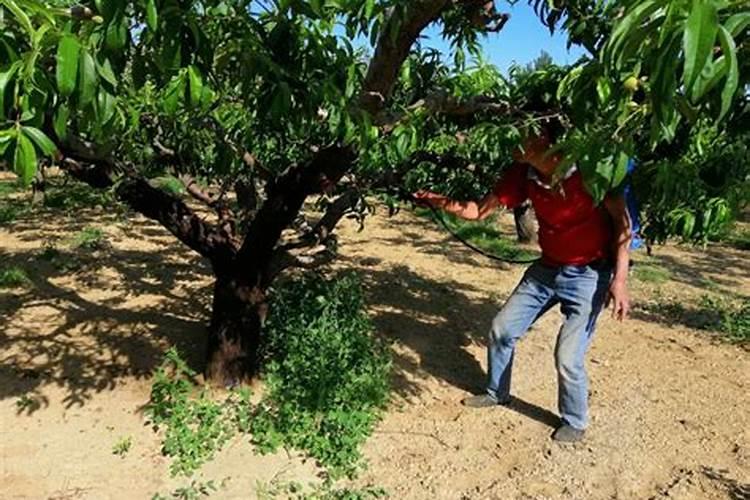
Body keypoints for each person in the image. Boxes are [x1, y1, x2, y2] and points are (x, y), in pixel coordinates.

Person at [414, 122, 631, 443]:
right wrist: (436, 200)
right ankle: (496, 392)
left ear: (547, 140)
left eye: (526, 133)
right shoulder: (522, 174)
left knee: (567, 355)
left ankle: (575, 420)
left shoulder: (589, 167)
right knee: (502, 329)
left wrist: (620, 280)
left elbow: (622, 222)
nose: (515, 140)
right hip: (547, 269)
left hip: (588, 274)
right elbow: (478, 211)